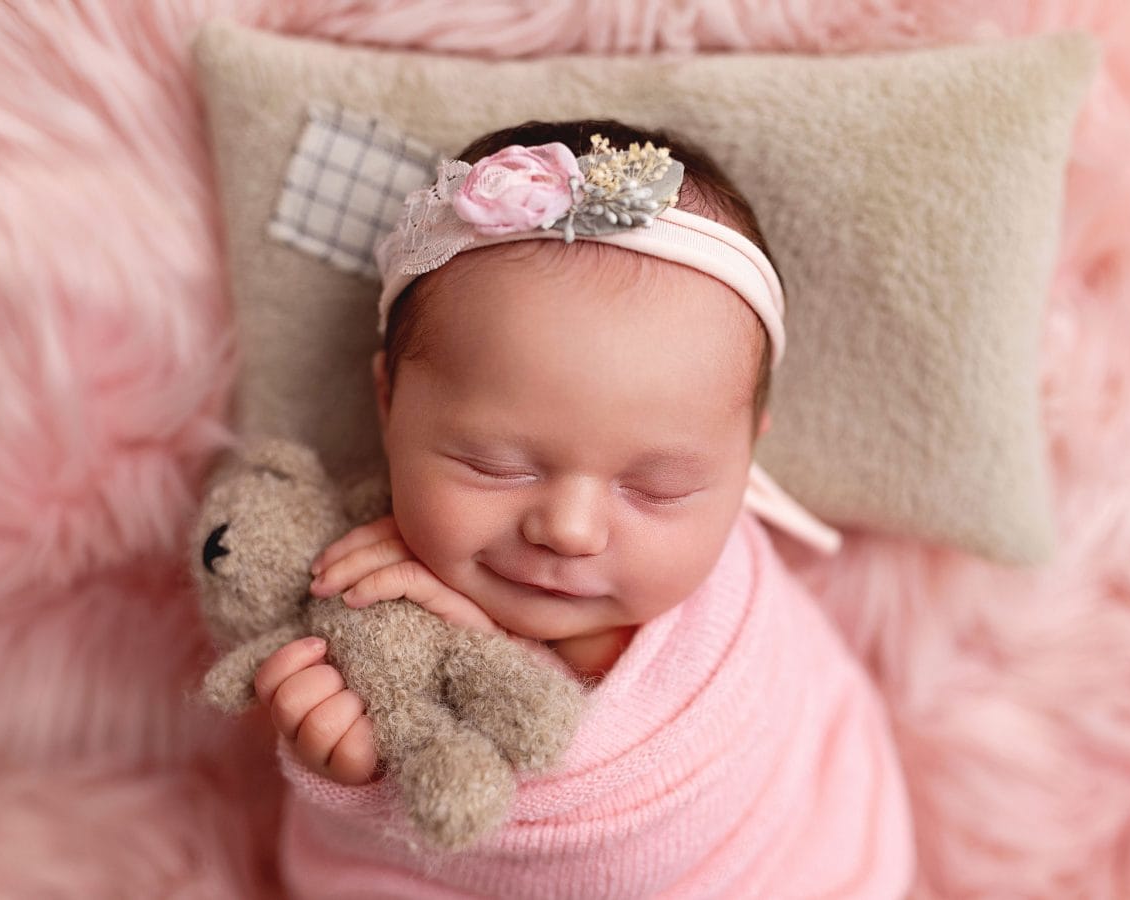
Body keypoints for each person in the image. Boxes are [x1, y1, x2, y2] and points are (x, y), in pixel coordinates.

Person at [253, 119, 914, 898]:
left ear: (744, 461)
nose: (568, 530)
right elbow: (412, 820)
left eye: (656, 489)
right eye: (494, 466)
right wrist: (349, 755)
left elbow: (726, 755)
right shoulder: (355, 592)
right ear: (388, 403)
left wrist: (498, 650)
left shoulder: (727, 630)